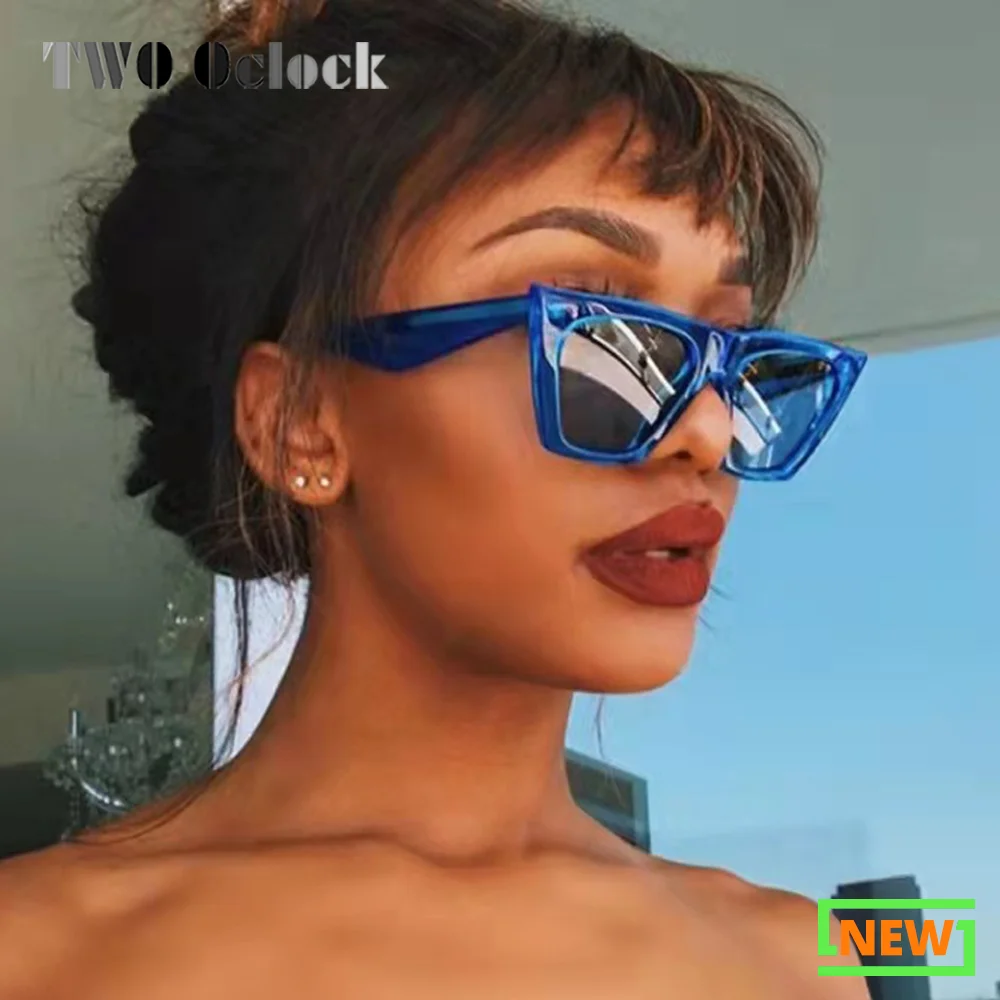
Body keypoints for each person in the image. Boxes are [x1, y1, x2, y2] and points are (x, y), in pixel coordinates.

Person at [0, 0, 870, 996]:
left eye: (728, 349)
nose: (706, 430)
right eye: (599, 342)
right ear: (299, 420)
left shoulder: (807, 957)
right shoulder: (32, 952)